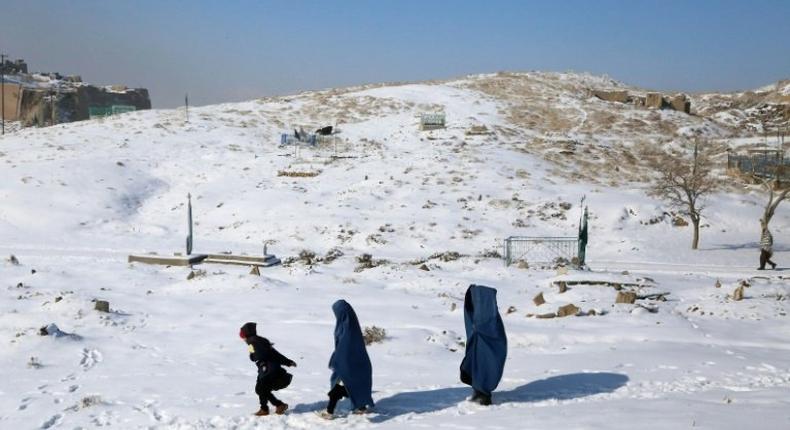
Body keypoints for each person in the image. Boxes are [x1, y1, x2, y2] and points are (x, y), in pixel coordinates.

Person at [319, 300, 374, 419]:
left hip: (348, 362)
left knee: (338, 388)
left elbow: (345, 346)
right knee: (354, 386)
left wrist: (337, 360)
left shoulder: (347, 327)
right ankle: (361, 407)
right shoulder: (348, 324)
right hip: (355, 362)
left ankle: (329, 412)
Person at [459, 284, 507, 406]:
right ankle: (480, 385)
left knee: (485, 334)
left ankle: (482, 389)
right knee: (480, 334)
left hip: (485, 284)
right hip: (474, 285)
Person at [239, 322, 297, 416]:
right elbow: (272, 353)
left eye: (242, 336)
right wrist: (287, 362)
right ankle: (269, 407)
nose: (243, 339)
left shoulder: (253, 342)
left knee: (261, 389)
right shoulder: (257, 341)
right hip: (266, 368)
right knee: (260, 389)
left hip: (269, 369)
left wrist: (253, 355)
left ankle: (272, 407)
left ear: (246, 334)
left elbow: (258, 356)